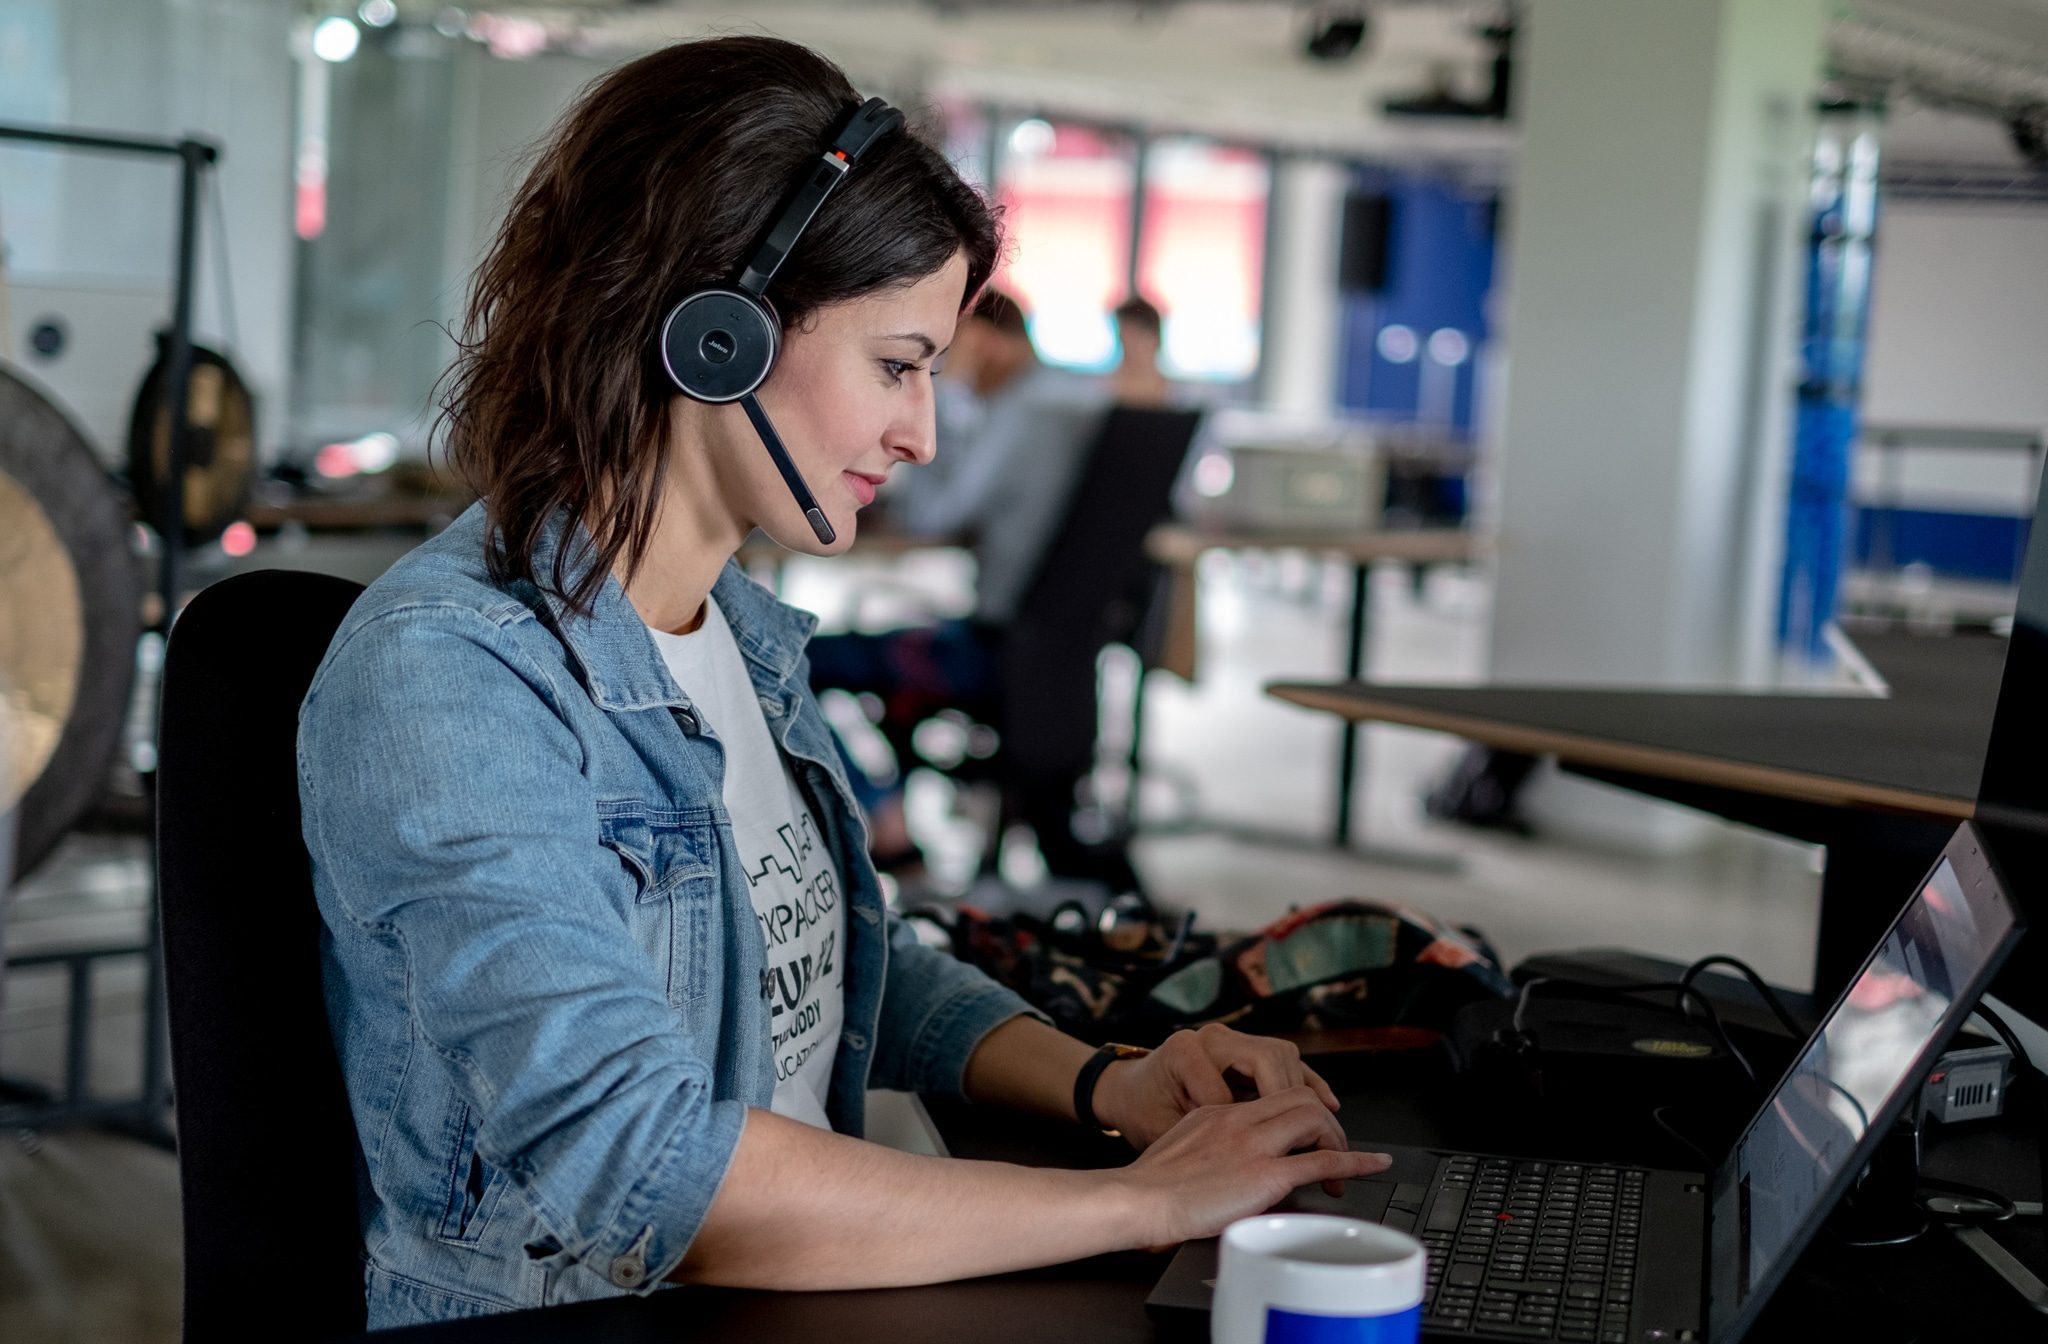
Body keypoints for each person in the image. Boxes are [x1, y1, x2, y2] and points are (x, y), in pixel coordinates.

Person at [296, 36, 1387, 1330]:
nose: (921, 431)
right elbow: (649, 1174)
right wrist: (1145, 1204)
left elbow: (826, 969)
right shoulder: (452, 676)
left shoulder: (739, 640)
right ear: (715, 338)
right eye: (895, 363)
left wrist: (1110, 1086)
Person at [1109, 293, 1175, 407]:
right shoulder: (1102, 393)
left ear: (1155, 340)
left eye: (1136, 339)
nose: (1129, 350)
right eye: (1122, 341)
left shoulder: (1182, 396)